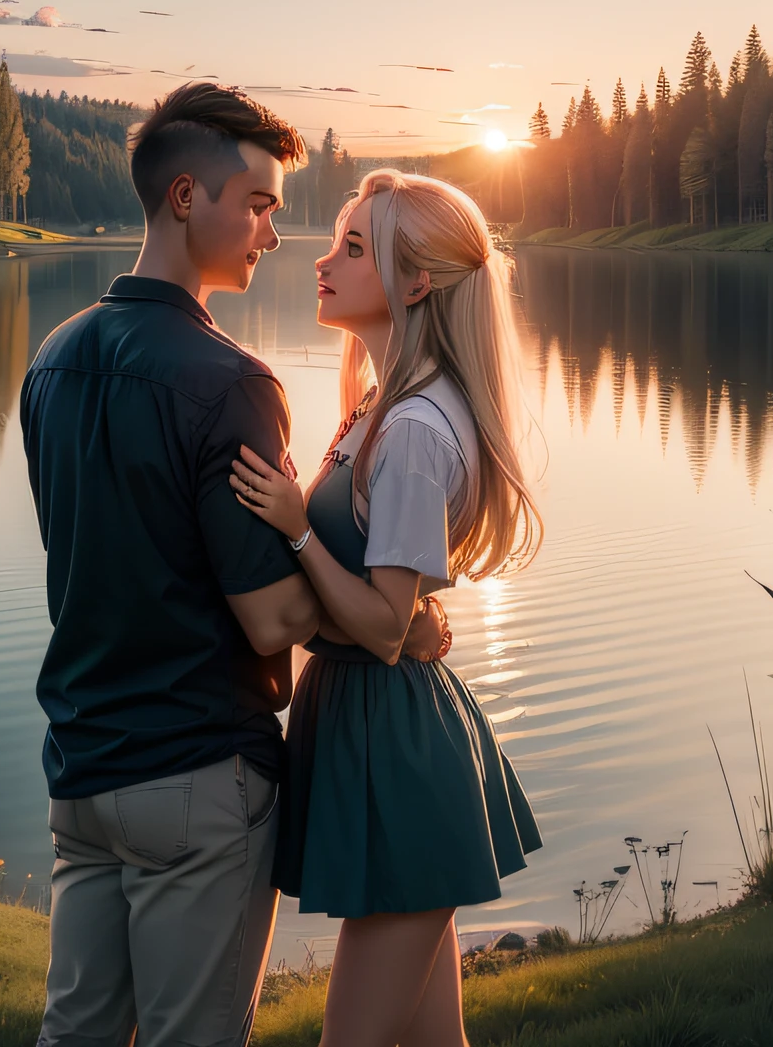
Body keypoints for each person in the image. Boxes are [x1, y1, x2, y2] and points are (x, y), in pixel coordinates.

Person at [20, 85, 445, 1047]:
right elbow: (274, 622)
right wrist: (396, 621)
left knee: (72, 1035)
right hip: (196, 778)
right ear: (184, 198)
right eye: (256, 204)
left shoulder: (51, 361)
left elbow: (95, 565)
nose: (273, 232)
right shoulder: (232, 382)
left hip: (80, 772)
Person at [232, 168, 543, 1047]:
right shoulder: (382, 406)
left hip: (399, 754)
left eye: (354, 246)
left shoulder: (410, 429)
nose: (322, 260)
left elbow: (379, 621)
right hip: (377, 736)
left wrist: (296, 529)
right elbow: (392, 616)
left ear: (417, 281)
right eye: (335, 240)